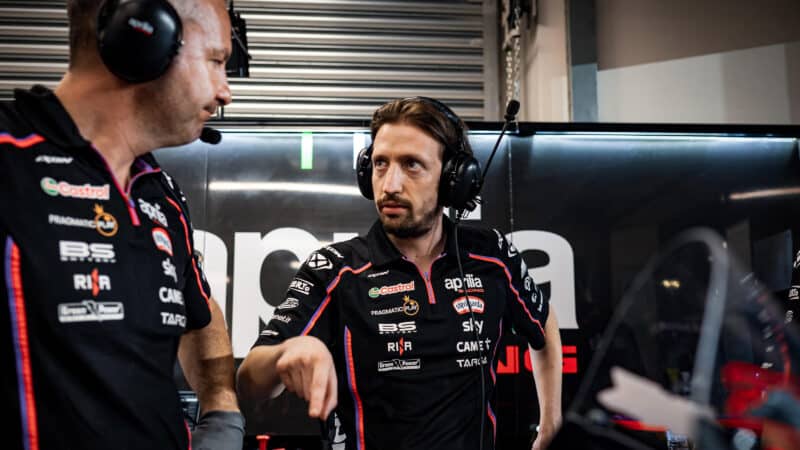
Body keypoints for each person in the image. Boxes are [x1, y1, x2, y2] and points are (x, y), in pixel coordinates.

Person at [238, 97, 563, 450]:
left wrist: (550, 424)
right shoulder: (334, 269)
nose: (390, 184)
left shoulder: (492, 254)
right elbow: (248, 381)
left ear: (455, 179)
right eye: (380, 163)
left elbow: (542, 322)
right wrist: (287, 351)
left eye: (411, 165)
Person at [0, 1, 243, 449]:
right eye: (216, 60)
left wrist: (223, 412)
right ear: (145, 35)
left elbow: (197, 311)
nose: (226, 91)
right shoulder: (9, 159)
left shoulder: (160, 191)